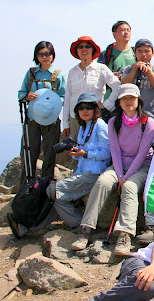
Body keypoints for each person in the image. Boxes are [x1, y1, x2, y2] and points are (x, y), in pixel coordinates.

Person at [72, 84, 154, 257]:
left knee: (130, 187)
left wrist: (125, 178)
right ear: (119, 101)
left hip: (142, 166)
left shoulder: (148, 122)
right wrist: (119, 175)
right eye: (124, 98)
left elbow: (142, 153)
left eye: (131, 98)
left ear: (138, 100)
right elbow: (115, 151)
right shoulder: (113, 122)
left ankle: (125, 235)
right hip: (119, 166)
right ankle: (85, 229)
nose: (128, 101)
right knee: (102, 182)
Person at [50, 93, 111, 229]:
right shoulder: (83, 128)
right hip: (82, 172)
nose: (85, 111)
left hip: (94, 174)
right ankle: (77, 222)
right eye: (81, 108)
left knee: (53, 190)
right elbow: (81, 154)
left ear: (95, 109)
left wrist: (86, 154)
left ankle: (78, 224)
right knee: (56, 196)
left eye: (88, 107)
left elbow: (107, 153)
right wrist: (76, 154)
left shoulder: (100, 126)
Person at [17, 41, 66, 186]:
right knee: (29, 151)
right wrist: (27, 96)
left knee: (50, 152)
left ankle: (46, 184)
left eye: (47, 53)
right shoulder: (31, 73)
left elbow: (63, 96)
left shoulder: (58, 75)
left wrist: (52, 103)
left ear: (52, 55)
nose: (45, 57)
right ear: (36, 56)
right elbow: (21, 93)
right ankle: (26, 185)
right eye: (41, 54)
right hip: (32, 118)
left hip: (51, 118)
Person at [63, 36, 119, 140]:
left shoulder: (101, 68)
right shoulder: (72, 71)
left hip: (95, 117)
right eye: (80, 47)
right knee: (75, 146)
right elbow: (68, 98)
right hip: (75, 118)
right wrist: (65, 124)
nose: (84, 49)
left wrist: (106, 105)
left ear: (92, 50)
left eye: (87, 46)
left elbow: (117, 86)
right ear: (77, 50)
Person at [120, 38, 154, 131]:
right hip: (135, 117)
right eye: (140, 51)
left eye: (147, 51)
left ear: (153, 53)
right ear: (135, 53)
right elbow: (124, 86)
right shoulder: (129, 69)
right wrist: (135, 69)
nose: (143, 54)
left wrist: (148, 69)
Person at [98, 21, 137, 120]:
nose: (126, 32)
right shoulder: (105, 54)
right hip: (112, 100)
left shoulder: (135, 52)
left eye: (128, 30)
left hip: (132, 98)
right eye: (123, 30)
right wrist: (112, 76)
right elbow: (99, 77)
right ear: (114, 34)